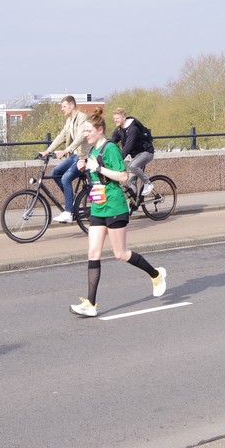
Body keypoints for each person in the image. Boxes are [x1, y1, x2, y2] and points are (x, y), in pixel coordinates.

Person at [70, 112, 167, 318]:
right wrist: (84, 168)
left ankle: (156, 274)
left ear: (100, 130)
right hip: (98, 207)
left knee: (120, 254)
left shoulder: (111, 149)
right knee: (93, 254)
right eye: (84, 131)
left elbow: (123, 176)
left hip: (115, 207)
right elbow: (96, 176)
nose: (85, 134)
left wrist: (99, 167)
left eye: (88, 131)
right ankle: (91, 303)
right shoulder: (93, 150)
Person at [39, 95, 88, 223]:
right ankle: (70, 202)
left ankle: (68, 212)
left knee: (66, 178)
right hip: (74, 155)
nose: (62, 109)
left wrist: (66, 150)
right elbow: (61, 136)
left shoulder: (82, 118)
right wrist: (47, 151)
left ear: (72, 106)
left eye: (64, 106)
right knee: (55, 173)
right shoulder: (69, 121)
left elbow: (81, 137)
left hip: (83, 156)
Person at [111, 108, 155, 197]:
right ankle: (135, 202)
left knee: (132, 166)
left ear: (124, 118)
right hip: (136, 156)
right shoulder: (119, 130)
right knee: (131, 183)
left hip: (146, 152)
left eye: (117, 118)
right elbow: (111, 143)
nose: (115, 120)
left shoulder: (133, 129)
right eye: (114, 118)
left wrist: (118, 160)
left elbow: (128, 147)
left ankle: (148, 183)